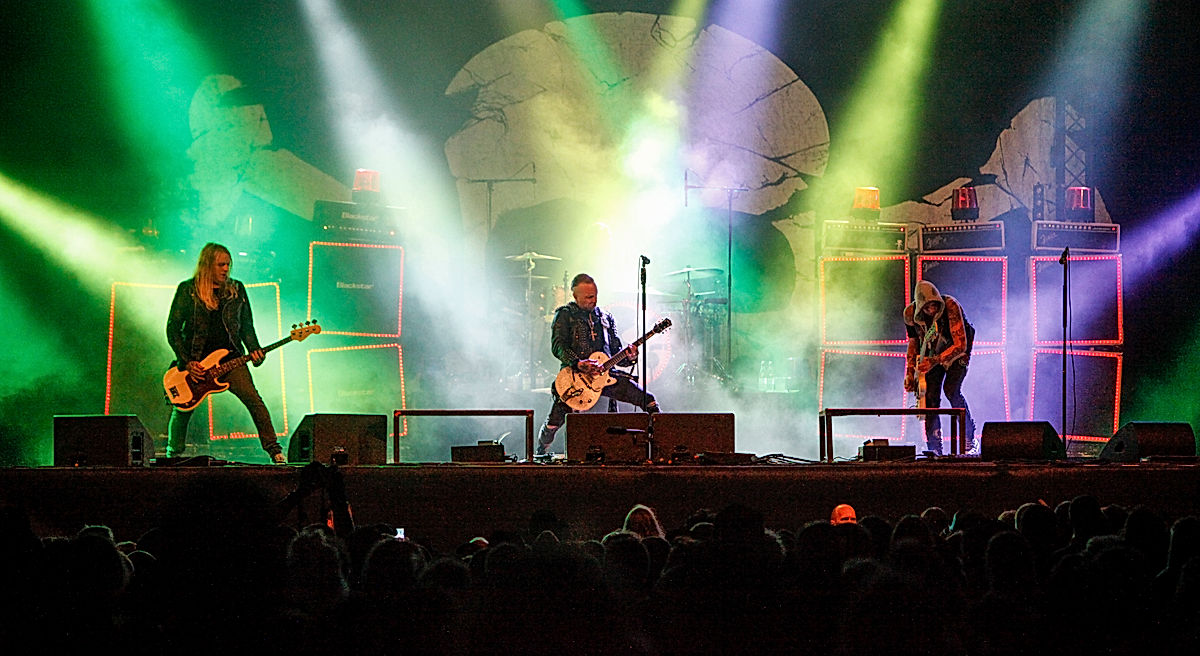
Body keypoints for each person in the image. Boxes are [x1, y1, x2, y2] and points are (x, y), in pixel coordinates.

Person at [165, 243, 285, 463]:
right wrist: (187, 362)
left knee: (254, 400)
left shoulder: (237, 289)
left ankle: (274, 451)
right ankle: (173, 455)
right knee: (183, 407)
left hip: (231, 359)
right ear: (207, 265)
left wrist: (255, 351)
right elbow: (173, 329)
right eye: (221, 264)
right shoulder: (188, 290)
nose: (226, 269)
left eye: (228, 265)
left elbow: (247, 325)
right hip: (198, 362)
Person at [536, 273, 660, 456]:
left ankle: (660, 447)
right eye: (588, 297)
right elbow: (558, 346)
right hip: (575, 378)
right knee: (554, 422)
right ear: (575, 296)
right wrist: (578, 363)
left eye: (595, 296)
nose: (593, 301)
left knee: (648, 400)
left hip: (606, 376)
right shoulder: (564, 315)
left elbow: (617, 353)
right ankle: (540, 452)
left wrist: (631, 357)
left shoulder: (605, 317)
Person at [903, 280, 976, 455]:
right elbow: (913, 343)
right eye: (928, 307)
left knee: (951, 390)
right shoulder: (910, 314)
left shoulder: (950, 305)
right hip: (932, 354)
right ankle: (934, 446)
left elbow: (961, 344)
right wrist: (909, 372)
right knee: (930, 397)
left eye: (935, 305)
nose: (932, 310)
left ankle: (969, 438)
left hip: (956, 353)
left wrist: (936, 360)